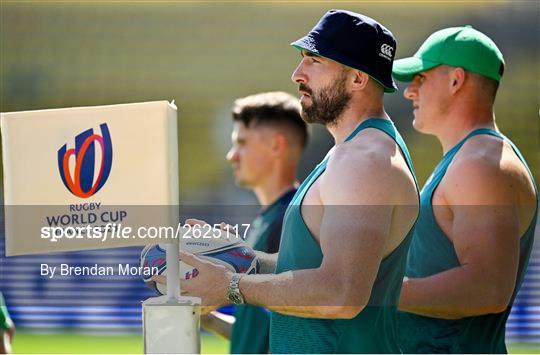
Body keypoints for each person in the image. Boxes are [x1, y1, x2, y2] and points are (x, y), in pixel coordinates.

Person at [157, 10, 419, 353]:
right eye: (302, 59)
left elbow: (342, 294)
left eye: (315, 60)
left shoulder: (364, 161)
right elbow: (310, 267)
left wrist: (232, 286)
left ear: (357, 78)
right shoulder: (351, 153)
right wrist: (241, 257)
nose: (298, 74)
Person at [392, 26, 538, 353]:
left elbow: (487, 289)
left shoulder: (480, 164)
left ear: (456, 80)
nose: (409, 91)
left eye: (421, 78)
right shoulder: (470, 158)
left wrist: (373, 291)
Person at [201, 92, 308, 354]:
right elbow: (259, 329)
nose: (231, 156)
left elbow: (297, 326)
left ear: (276, 146)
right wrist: (205, 317)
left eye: (241, 142)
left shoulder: (293, 218)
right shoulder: (267, 219)